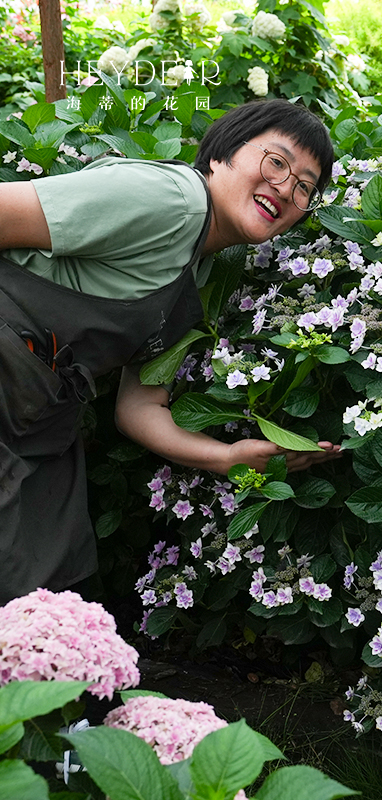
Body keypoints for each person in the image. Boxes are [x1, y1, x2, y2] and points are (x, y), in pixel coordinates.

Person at [0, 99, 340, 604]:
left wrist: (226, 458)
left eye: (305, 187)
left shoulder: (201, 275)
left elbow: (138, 407)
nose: (286, 188)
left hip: (37, 421)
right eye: (277, 162)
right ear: (224, 150)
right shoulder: (167, 199)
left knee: (53, 593)